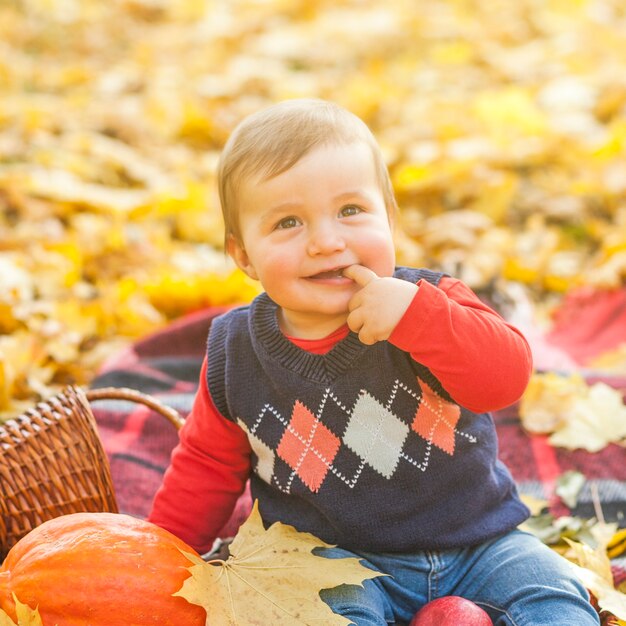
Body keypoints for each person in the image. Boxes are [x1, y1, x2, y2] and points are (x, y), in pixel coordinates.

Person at [149, 99, 599, 626]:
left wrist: (420, 319)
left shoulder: (431, 303)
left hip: (479, 542)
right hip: (328, 563)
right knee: (312, 618)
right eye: (288, 222)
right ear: (243, 255)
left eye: (350, 211)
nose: (326, 241)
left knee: (551, 594)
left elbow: (505, 379)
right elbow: (205, 467)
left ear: (389, 220)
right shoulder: (236, 353)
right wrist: (159, 563)